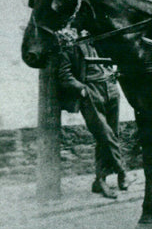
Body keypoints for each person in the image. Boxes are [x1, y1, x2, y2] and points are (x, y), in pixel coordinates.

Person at [56, 29, 133, 199]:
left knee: (110, 135)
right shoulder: (71, 47)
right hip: (91, 92)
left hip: (111, 90)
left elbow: (117, 57)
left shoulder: (102, 41)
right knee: (105, 134)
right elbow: (64, 75)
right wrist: (81, 89)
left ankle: (100, 180)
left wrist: (114, 74)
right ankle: (122, 171)